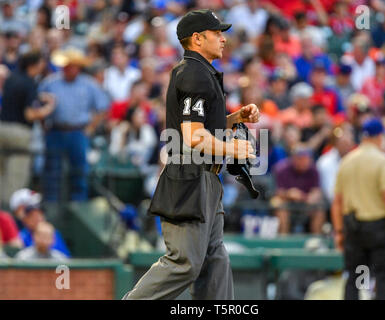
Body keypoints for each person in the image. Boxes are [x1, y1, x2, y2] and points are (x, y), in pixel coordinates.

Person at [123, 9, 259, 300]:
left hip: (206, 179)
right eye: (217, 33)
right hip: (188, 178)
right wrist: (230, 147)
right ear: (197, 39)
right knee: (184, 264)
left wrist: (235, 118)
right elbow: (193, 135)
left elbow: (203, 126)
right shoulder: (194, 73)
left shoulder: (201, 71)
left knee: (215, 262)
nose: (223, 39)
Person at [331, 118, 385, 300]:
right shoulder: (383, 161)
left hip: (354, 229)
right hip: (380, 229)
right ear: (379, 136)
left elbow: (337, 201)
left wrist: (338, 232)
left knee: (356, 278)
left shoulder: (347, 161)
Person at [39, 48, 110, 201]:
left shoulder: (89, 84)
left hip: (78, 132)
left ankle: (78, 205)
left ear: (78, 67)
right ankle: (51, 206)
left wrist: (90, 128)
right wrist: (43, 125)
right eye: (67, 65)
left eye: (73, 66)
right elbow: (38, 104)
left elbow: (102, 107)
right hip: (56, 130)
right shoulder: (50, 83)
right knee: (52, 171)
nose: (69, 69)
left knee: (79, 171)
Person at [0, 51, 55, 206]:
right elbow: (30, 114)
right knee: (15, 180)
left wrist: (38, 97)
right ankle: (9, 220)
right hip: (19, 134)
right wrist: (49, 108)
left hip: (2, 128)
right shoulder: (30, 82)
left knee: (1, 176)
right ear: (35, 64)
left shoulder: (12, 78)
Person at [271, 146, 325, 234]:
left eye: (306, 158)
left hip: (306, 204)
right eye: (300, 158)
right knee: (279, 205)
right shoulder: (281, 169)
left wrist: (312, 197)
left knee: (319, 207)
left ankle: (316, 240)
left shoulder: (313, 170)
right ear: (293, 158)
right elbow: (276, 192)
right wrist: (288, 194)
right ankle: (283, 240)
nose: (304, 161)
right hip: (287, 203)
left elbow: (317, 191)